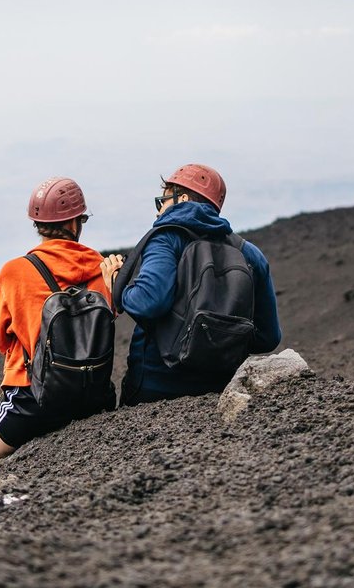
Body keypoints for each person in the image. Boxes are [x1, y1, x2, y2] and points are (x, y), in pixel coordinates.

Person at [0, 176, 116, 483]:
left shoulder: (14, 272)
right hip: (94, 394)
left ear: (36, 222)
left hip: (34, 398)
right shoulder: (100, 266)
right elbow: (110, 315)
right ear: (77, 222)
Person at [102, 163, 281, 406]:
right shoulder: (249, 253)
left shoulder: (166, 238)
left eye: (162, 201)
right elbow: (269, 337)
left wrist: (115, 283)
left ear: (182, 197)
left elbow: (148, 303)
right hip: (219, 388)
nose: (158, 212)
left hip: (154, 388)